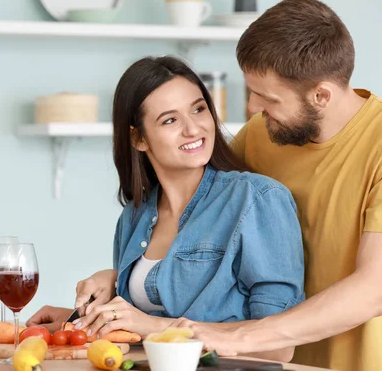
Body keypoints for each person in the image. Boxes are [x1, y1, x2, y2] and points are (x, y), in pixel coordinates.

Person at [166, 0, 382, 371]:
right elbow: (196, 224)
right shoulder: (261, 134)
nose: (252, 108)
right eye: (251, 92)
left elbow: (373, 291)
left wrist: (235, 338)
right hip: (283, 364)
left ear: (321, 95)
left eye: (267, 97)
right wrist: (117, 277)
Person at [27, 55, 305, 361]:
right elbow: (136, 332)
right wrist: (76, 319)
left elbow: (278, 348)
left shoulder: (256, 199)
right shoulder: (134, 217)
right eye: (170, 120)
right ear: (139, 138)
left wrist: (152, 326)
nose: (193, 128)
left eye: (198, 109)